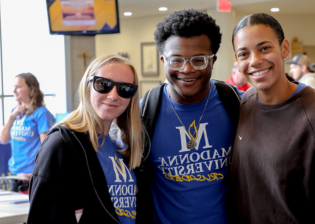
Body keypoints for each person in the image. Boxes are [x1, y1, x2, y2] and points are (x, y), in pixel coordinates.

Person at [230, 13, 315, 223]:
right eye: (243, 54)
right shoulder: (245, 104)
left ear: (285, 49)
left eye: (265, 48)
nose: (255, 61)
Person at [136, 9, 243, 224]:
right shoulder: (143, 115)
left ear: (213, 60)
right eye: (176, 60)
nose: (186, 69)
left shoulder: (237, 104)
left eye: (199, 60)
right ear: (163, 60)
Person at [27, 54, 144, 224]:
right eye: (103, 85)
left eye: (125, 89)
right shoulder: (62, 144)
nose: (113, 95)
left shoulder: (120, 146)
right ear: (87, 86)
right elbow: (44, 216)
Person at [0, 73, 55, 192]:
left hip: (31, 177)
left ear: (31, 90)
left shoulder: (42, 114)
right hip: (15, 175)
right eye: (14, 87)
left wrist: (37, 172)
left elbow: (47, 149)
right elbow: (3, 140)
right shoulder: (15, 112)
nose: (14, 90)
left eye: (18, 87)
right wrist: (12, 117)